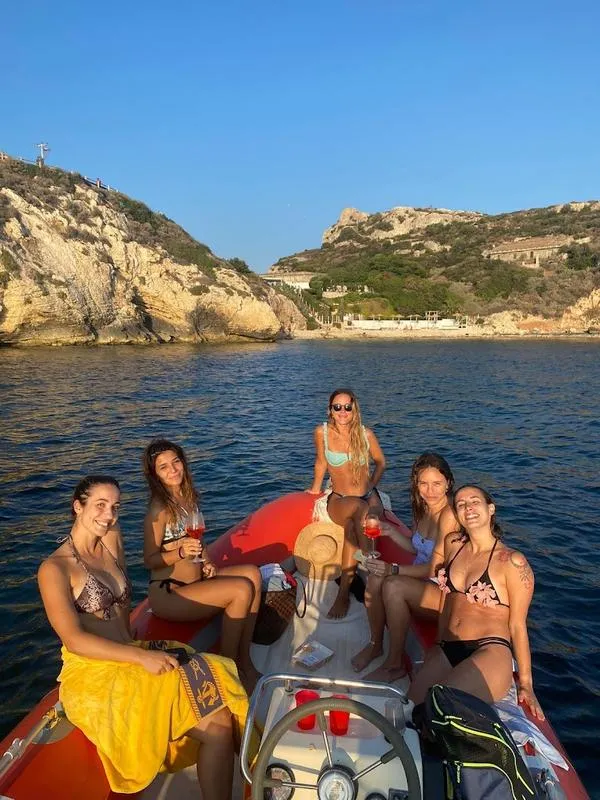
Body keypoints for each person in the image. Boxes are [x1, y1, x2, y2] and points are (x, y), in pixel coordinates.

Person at [38, 475, 248, 799]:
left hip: (130, 651)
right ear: (77, 506)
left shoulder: (111, 539)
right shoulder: (54, 568)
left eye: (115, 507)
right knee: (216, 722)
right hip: (94, 672)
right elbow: (74, 640)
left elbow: (126, 604)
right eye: (100, 505)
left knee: (220, 708)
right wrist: (142, 657)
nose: (108, 515)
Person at [408, 485, 544, 720]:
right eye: (461, 504)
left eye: (474, 501)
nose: (468, 507)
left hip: (489, 651)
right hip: (448, 647)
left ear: (491, 509)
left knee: (437, 707)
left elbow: (517, 625)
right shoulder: (453, 545)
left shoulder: (512, 562)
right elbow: (447, 600)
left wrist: (526, 683)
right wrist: (437, 644)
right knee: (409, 708)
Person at [143, 438, 262, 694]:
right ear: (155, 475)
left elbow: (199, 541)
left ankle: (245, 658)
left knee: (252, 574)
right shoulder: (159, 510)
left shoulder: (188, 498)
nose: (172, 470)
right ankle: (227, 671)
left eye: (176, 462)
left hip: (196, 581)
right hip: (170, 592)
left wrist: (207, 563)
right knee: (241, 589)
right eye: (163, 467)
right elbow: (150, 559)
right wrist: (180, 551)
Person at [352, 452, 459, 678]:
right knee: (375, 578)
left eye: (437, 484)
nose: (430, 491)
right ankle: (375, 644)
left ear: (448, 483)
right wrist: (389, 531)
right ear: (416, 484)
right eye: (424, 483)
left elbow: (435, 568)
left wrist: (393, 569)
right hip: (421, 582)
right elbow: (416, 548)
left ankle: (395, 664)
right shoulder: (424, 508)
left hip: (444, 594)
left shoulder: (449, 515)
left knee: (393, 585)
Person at [307, 388, 386, 619]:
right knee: (361, 510)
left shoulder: (365, 434)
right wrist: (315, 489)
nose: (343, 411)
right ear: (330, 410)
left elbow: (381, 462)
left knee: (355, 525)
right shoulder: (321, 433)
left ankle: (343, 594)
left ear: (354, 409)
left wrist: (371, 485)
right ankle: (372, 572)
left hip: (367, 495)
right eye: (337, 407)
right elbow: (321, 463)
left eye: (347, 407)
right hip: (340, 500)